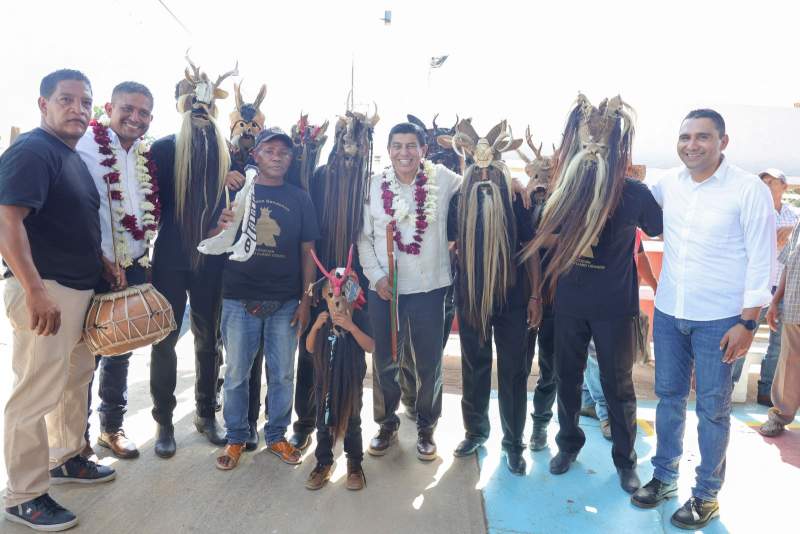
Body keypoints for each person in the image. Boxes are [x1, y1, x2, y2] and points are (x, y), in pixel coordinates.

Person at [632, 109, 774, 530]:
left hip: (722, 320)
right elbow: (627, 198)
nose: (692, 145)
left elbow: (762, 262)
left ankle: (706, 495)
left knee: (713, 409)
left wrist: (748, 324)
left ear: (723, 142)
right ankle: (664, 477)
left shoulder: (748, 190)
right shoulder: (668, 184)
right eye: (685, 137)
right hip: (671, 312)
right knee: (668, 399)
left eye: (703, 137)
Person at [520, 95, 663, 495]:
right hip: (568, 304)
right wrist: (533, 190)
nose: (593, 150)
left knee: (619, 384)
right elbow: (538, 227)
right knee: (566, 378)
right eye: (587, 143)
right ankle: (567, 445)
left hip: (615, 308)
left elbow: (659, 227)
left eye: (601, 144)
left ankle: (625, 461)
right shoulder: (563, 189)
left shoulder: (635, 192)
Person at [0, 69, 115, 532]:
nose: (78, 109)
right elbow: (8, 221)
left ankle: (66, 457)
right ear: (43, 104)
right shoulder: (32, 151)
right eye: (66, 100)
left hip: (78, 290)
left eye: (85, 102)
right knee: (36, 390)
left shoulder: (69, 157)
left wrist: (103, 260)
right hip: (46, 292)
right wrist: (34, 290)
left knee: (74, 380)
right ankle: (23, 494)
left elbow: (72, 222)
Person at [211, 128, 319, 469]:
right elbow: (214, 237)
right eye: (269, 150)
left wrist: (305, 299)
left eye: (283, 152)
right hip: (238, 297)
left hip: (285, 301)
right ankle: (236, 437)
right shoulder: (236, 192)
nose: (276, 156)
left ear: (291, 160)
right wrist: (220, 223)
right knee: (237, 374)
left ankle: (276, 436)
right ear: (255, 155)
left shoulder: (300, 198)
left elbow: (308, 250)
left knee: (283, 373)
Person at [147, 61, 237, 457]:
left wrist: (239, 175)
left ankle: (206, 413)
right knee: (163, 341)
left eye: (206, 104)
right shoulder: (163, 149)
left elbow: (246, 182)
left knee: (207, 340)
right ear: (183, 104)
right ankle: (164, 422)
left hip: (211, 260)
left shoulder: (226, 152)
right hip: (169, 257)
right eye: (193, 102)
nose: (200, 110)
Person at [358, 122, 461, 461]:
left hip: (430, 288)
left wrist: (515, 181)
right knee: (386, 361)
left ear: (423, 150)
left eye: (411, 146)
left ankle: (426, 428)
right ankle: (386, 424)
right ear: (388, 151)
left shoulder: (442, 179)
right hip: (386, 290)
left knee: (430, 363)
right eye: (398, 146)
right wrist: (376, 278)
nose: (405, 152)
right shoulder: (373, 187)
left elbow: (477, 179)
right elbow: (364, 239)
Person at [446, 120, 537, 476]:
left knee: (514, 371)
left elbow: (529, 248)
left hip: (512, 299)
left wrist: (536, 297)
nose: (483, 175)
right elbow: (450, 242)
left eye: (490, 169)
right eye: (477, 169)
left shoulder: (516, 199)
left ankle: (514, 443)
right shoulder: (458, 200)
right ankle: (475, 432)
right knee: (474, 366)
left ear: (500, 168)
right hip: (471, 297)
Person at [76, 81, 156, 460]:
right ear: (109, 108)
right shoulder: (84, 145)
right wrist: (100, 259)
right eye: (128, 108)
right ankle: (77, 440)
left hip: (134, 266)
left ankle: (112, 428)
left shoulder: (144, 155)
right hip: (91, 266)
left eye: (143, 113)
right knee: (84, 358)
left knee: (120, 351)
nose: (134, 118)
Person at [303, 253, 373, 491]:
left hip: (351, 385)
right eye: (331, 295)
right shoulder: (321, 320)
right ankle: (324, 463)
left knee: (352, 422)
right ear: (324, 295)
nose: (336, 301)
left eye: (342, 294)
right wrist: (314, 327)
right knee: (323, 425)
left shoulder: (360, 319)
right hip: (325, 386)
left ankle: (354, 464)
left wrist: (351, 327)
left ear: (352, 294)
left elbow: (371, 346)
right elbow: (309, 348)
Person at [732, 168, 797, 405]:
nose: (767, 185)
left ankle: (766, 391)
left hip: (786, 291)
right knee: (742, 337)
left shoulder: (794, 216)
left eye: (772, 182)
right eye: (763, 182)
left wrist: (792, 230)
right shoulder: (755, 212)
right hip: (758, 288)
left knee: (778, 346)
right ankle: (727, 388)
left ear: (784, 187)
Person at [759, 220, 800, 437]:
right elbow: (788, 264)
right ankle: (780, 417)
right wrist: (775, 301)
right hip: (794, 308)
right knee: (788, 365)